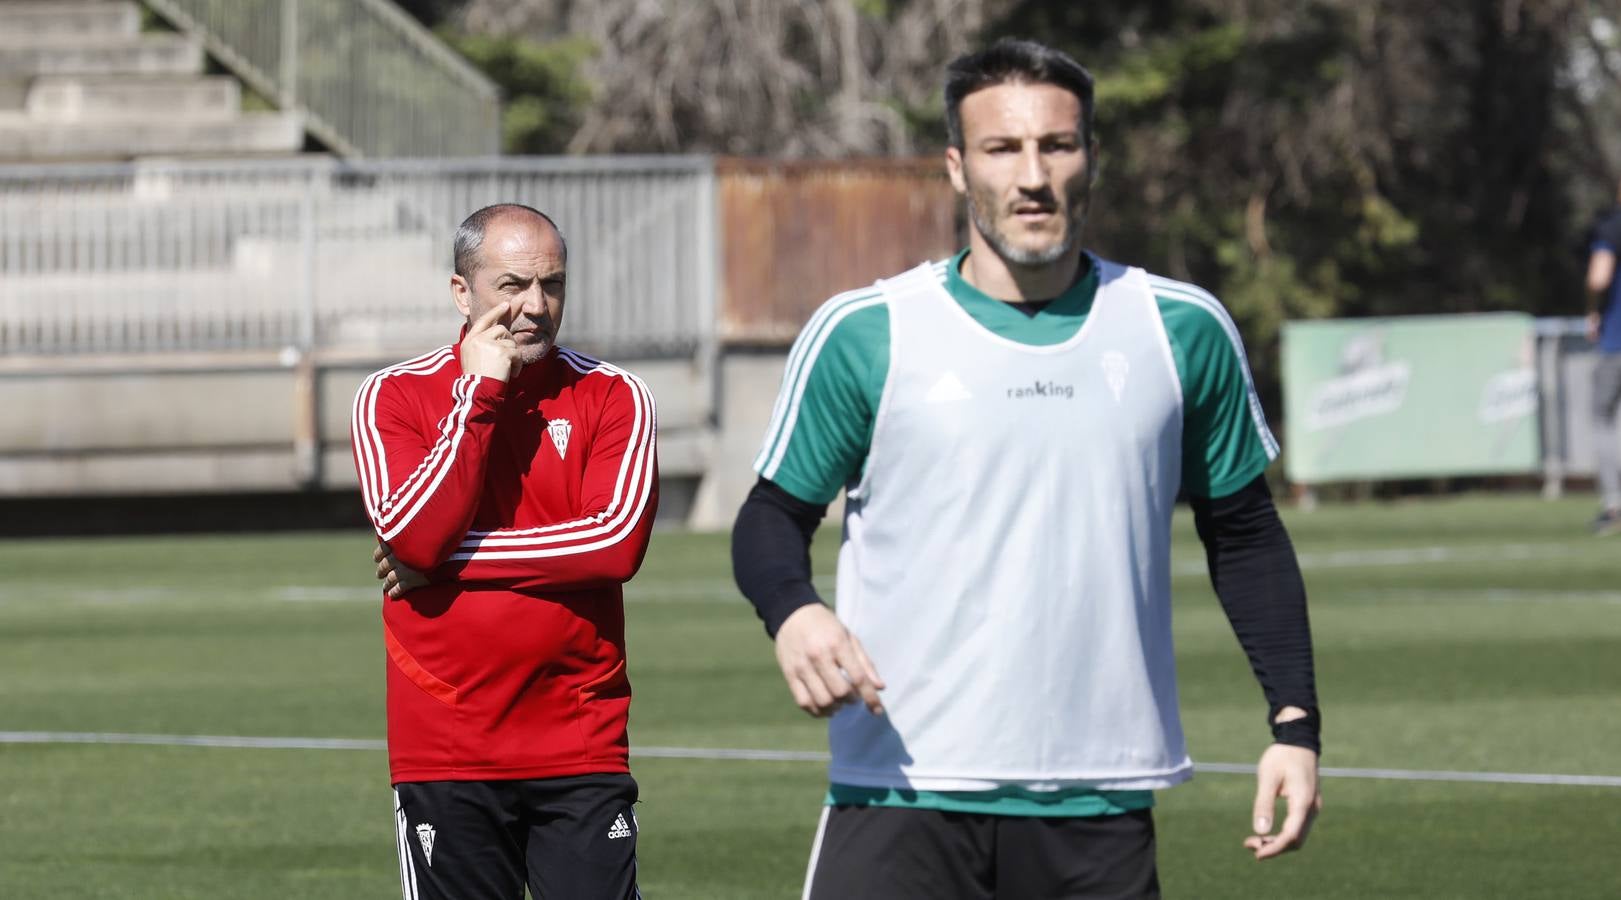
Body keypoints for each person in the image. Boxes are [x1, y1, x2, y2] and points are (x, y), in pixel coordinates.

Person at [731, 39, 1320, 899]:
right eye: (1003, 149)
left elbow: (1245, 534)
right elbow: (770, 517)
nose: (1033, 174)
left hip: (1101, 800)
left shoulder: (1178, 329)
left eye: (1058, 144)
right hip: (901, 790)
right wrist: (793, 612)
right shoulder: (866, 331)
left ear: (1091, 159)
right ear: (958, 169)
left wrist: (1295, 723)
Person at [352, 203, 658, 900]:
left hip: (580, 739)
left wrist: (445, 564)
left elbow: (613, 543)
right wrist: (481, 393)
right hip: (449, 746)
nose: (535, 306)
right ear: (463, 293)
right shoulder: (392, 397)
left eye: (552, 286)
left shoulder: (613, 394)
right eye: (512, 285)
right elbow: (417, 531)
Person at [1584, 177, 1621, 536]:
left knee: (1602, 419)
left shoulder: (1614, 226)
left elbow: (1598, 278)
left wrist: (1593, 311)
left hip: (1617, 342)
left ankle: (1614, 504)